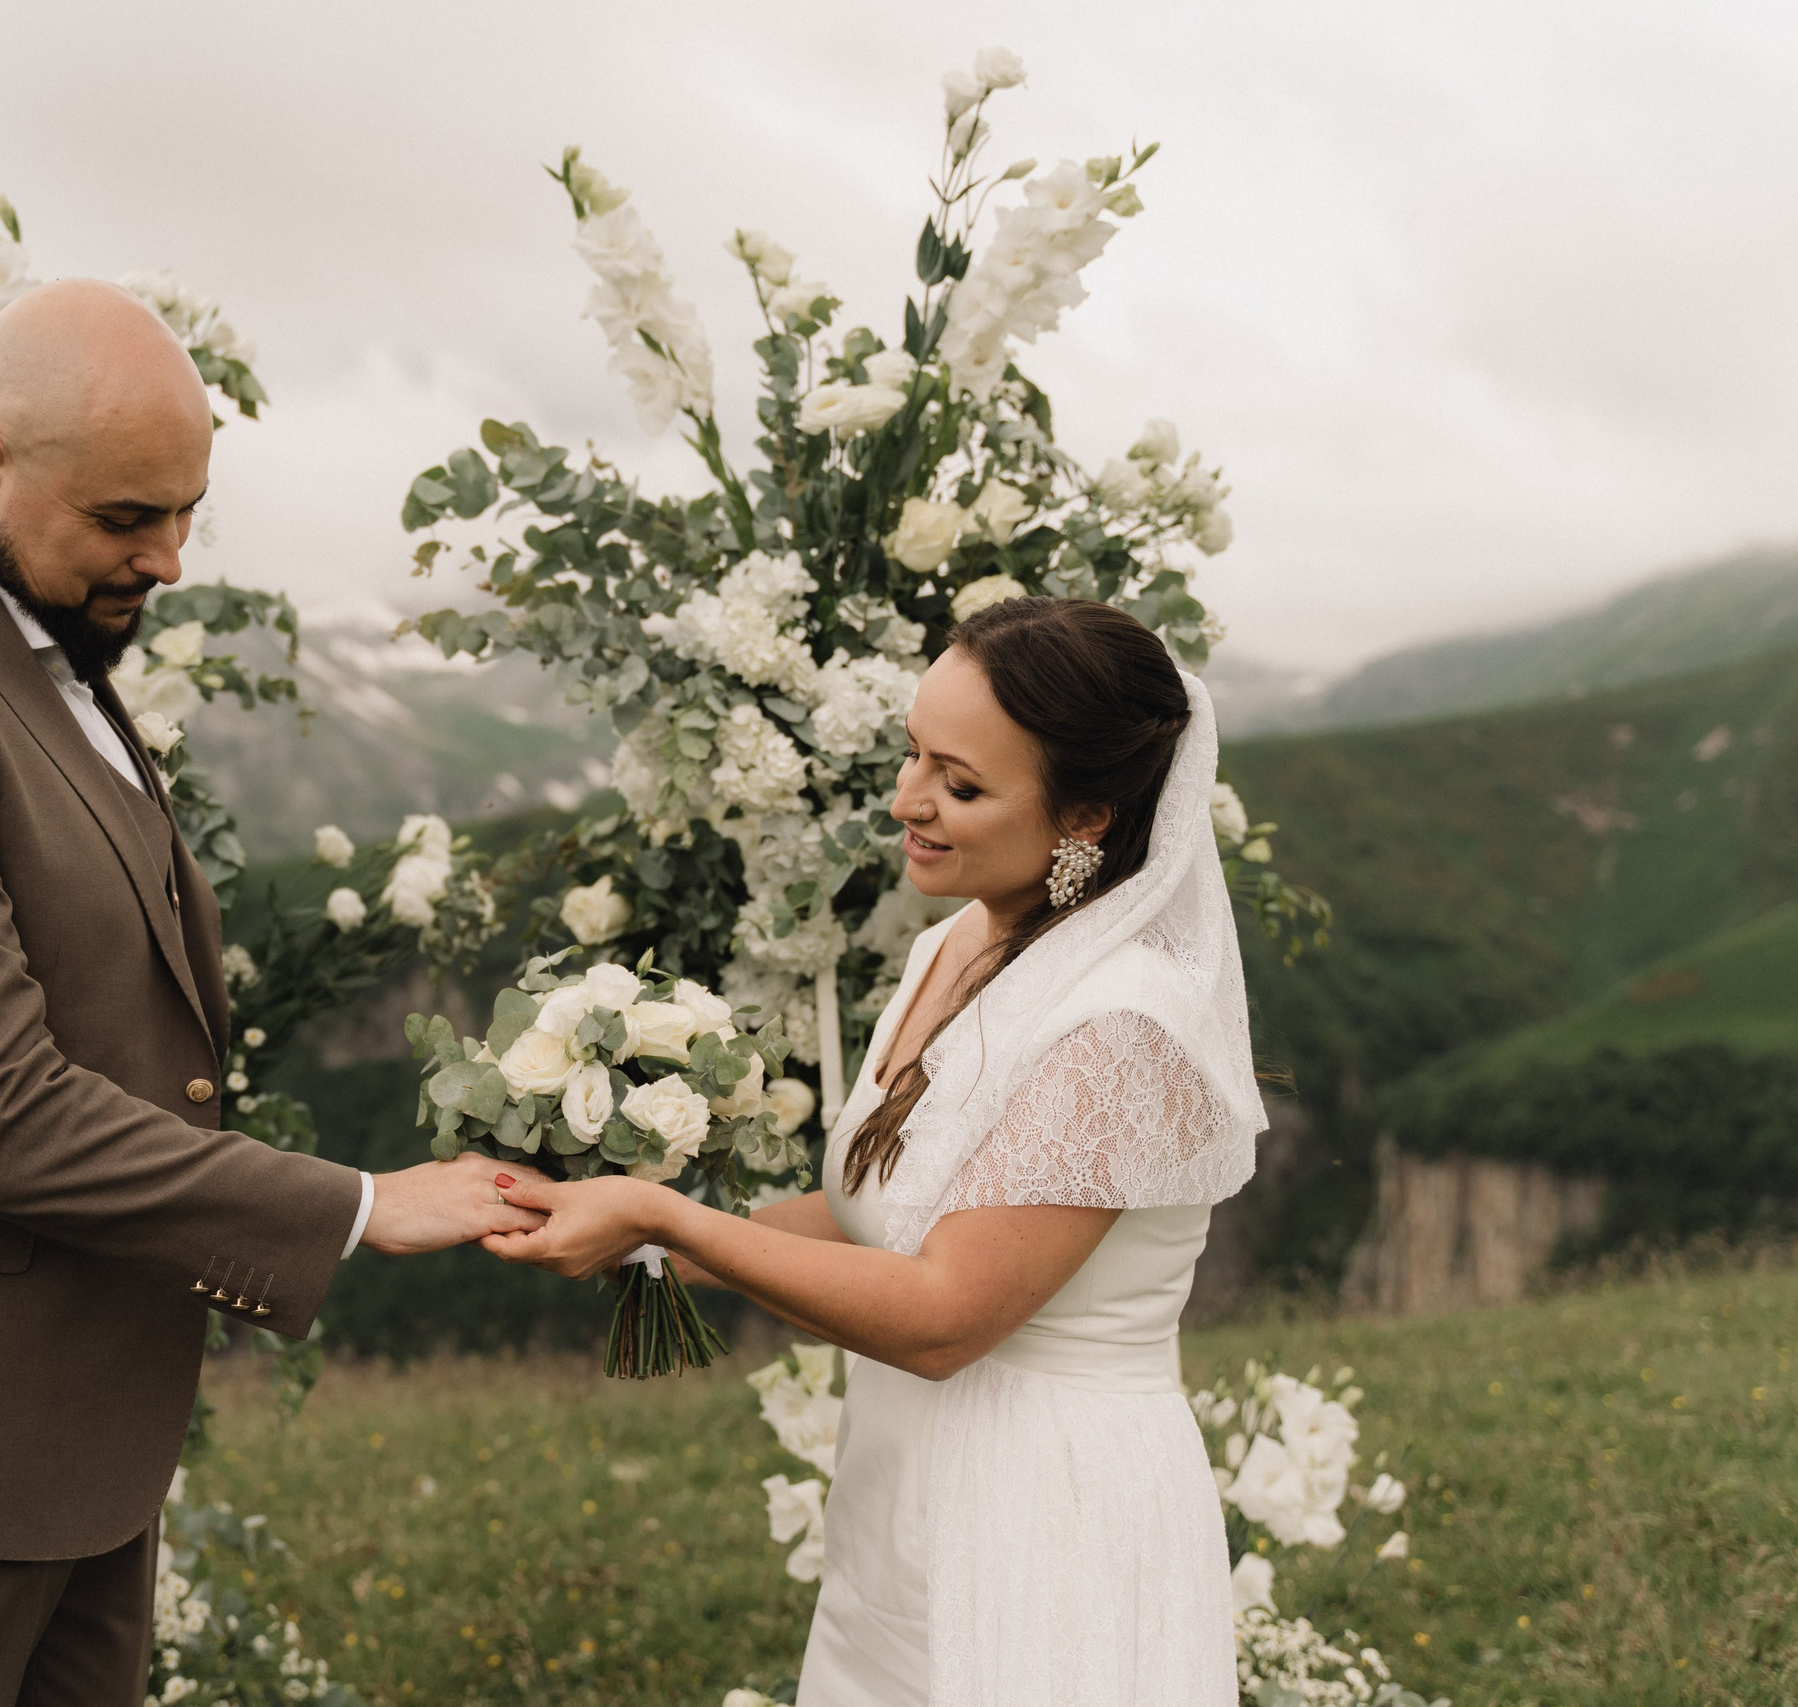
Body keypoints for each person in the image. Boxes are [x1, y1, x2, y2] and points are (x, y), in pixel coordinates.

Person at [0, 279, 541, 1706]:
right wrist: (352, 1201)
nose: (166, 557)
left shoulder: (16, 609)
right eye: (124, 520)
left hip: (57, 1416)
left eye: (185, 512)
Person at [486, 596, 1263, 1702]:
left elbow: (947, 1315)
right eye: (913, 755)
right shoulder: (958, 941)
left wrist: (669, 1219)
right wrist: (625, 1229)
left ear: (1086, 813)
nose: (907, 802)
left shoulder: (1123, 1026)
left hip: (1044, 1513)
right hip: (900, 1495)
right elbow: (880, 1220)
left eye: (961, 784)